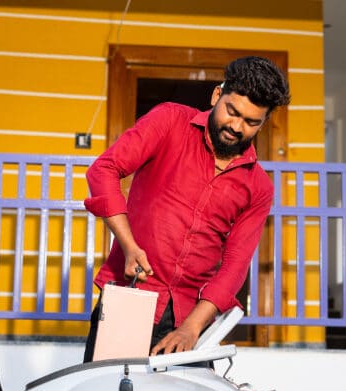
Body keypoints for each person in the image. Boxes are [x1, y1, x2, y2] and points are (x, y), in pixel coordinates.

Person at [82, 56, 290, 362]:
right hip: (131, 296)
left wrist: (192, 328)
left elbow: (235, 265)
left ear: (263, 122)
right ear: (217, 96)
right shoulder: (169, 121)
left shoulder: (259, 187)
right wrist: (128, 245)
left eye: (251, 122)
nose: (236, 126)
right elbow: (104, 170)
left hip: (193, 320)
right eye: (232, 112)